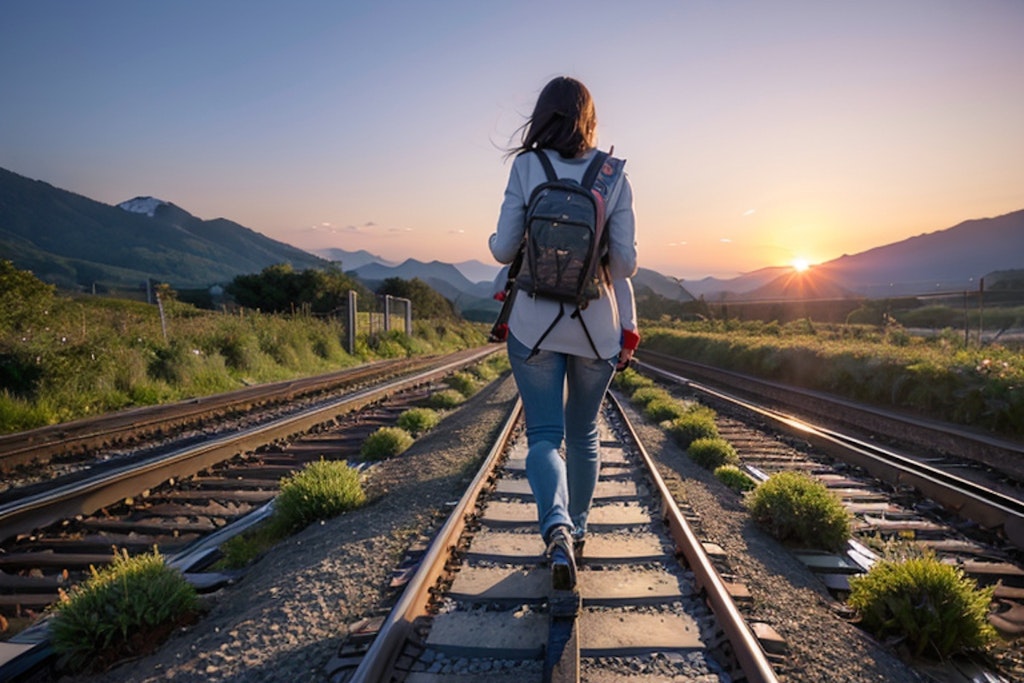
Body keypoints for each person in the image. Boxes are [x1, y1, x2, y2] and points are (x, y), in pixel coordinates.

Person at [488, 76, 639, 591]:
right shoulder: (613, 175)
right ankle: (578, 530)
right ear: (589, 118)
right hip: (596, 328)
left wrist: (499, 237)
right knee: (584, 434)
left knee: (544, 437)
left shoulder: (527, 167)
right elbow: (624, 264)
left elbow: (504, 249)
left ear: (542, 115)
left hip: (533, 324)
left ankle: (554, 528)